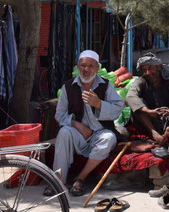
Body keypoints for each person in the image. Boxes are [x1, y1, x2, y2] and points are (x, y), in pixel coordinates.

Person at [53, 50, 124, 196]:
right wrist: (75, 124)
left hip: (100, 133)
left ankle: (80, 178)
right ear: (78, 67)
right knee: (63, 132)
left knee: (109, 138)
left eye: (90, 66)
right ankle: (58, 181)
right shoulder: (68, 87)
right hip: (77, 134)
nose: (86, 69)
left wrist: (99, 104)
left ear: (97, 68)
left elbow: (118, 108)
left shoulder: (105, 85)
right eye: (83, 65)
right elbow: (59, 114)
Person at [125, 54, 169, 147]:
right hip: (149, 121)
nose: (148, 73)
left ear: (158, 67)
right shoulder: (141, 81)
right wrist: (149, 111)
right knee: (137, 104)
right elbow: (130, 96)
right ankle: (154, 134)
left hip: (168, 118)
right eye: (144, 70)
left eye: (150, 68)